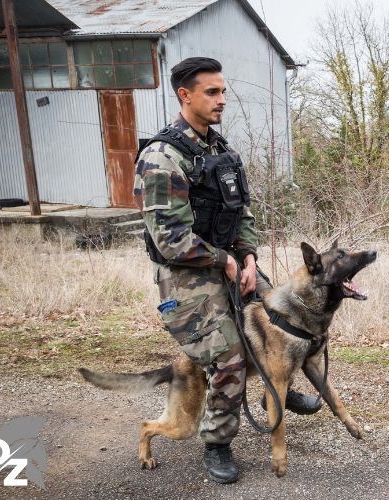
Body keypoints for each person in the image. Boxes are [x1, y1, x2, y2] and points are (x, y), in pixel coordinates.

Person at [133, 57, 320, 484]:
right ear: (185, 95)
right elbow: (171, 240)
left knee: (288, 319)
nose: (222, 100)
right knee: (229, 358)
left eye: (223, 91)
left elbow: (243, 215)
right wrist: (228, 262)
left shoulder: (222, 152)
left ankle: (279, 384)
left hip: (233, 263)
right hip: (185, 276)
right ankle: (217, 442)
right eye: (211, 92)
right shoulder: (161, 158)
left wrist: (249, 257)